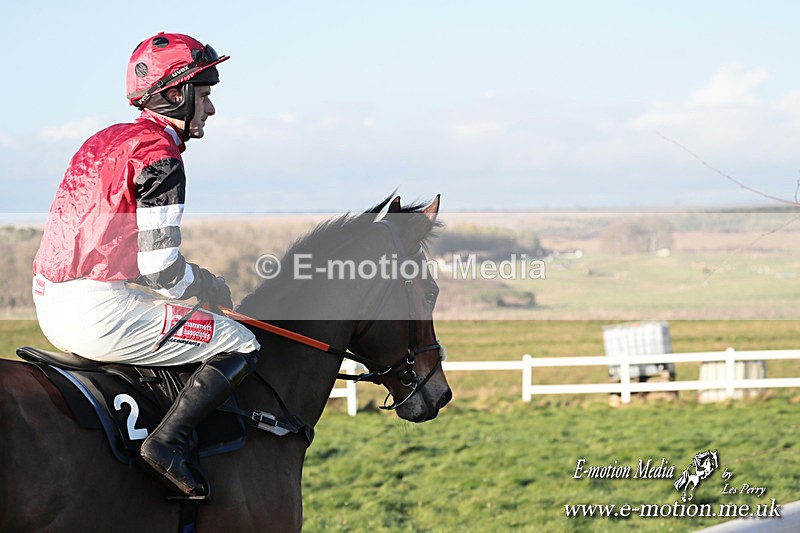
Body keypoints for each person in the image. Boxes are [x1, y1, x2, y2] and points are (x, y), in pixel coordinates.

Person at [31, 32, 259, 498]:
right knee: (242, 342)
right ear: (177, 93)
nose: (211, 108)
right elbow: (162, 271)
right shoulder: (160, 156)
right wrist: (207, 282)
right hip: (98, 312)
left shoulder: (106, 140)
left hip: (49, 300)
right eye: (206, 93)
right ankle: (167, 444)